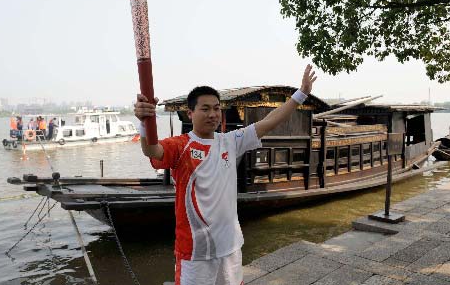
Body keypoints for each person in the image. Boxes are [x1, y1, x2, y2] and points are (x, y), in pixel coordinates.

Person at [134, 65, 316, 285]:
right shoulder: (180, 146)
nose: (213, 114)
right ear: (190, 113)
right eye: (205, 109)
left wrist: (301, 93)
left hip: (230, 248)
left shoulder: (230, 141)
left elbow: (270, 121)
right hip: (195, 252)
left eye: (217, 108)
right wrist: (145, 123)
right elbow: (152, 150)